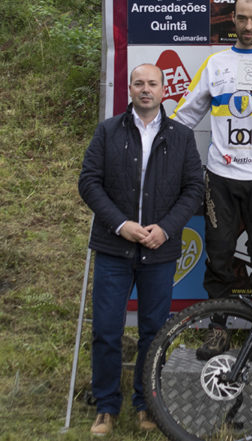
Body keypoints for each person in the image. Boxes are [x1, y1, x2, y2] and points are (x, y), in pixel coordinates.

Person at [170, 0, 252, 360]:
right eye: (242, 18)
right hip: (221, 176)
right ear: (232, 18)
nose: (248, 25)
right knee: (219, 253)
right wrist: (158, 149)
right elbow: (183, 116)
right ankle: (217, 329)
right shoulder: (215, 64)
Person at [78, 64, 205, 436]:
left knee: (154, 332)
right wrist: (121, 225)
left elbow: (194, 189)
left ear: (164, 90)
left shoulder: (182, 136)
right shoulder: (108, 131)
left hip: (158, 251)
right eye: (139, 83)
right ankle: (105, 407)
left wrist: (165, 229)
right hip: (113, 247)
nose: (145, 89)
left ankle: (146, 404)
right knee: (106, 330)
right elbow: (89, 182)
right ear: (130, 89)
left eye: (152, 83)